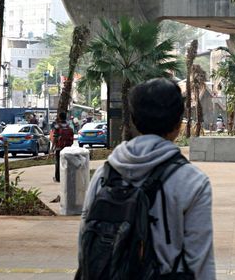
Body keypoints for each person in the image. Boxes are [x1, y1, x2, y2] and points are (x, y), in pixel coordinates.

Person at [77, 78, 215, 279]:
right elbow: (200, 261)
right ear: (178, 123)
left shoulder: (105, 174)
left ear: (133, 120)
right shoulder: (192, 182)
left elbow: (85, 242)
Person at [51, 112, 75, 182]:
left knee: (58, 163)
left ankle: (58, 178)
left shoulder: (57, 126)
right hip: (68, 148)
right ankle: (67, 176)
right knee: (67, 163)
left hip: (59, 148)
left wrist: (52, 148)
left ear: (59, 117)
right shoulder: (69, 127)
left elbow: (55, 138)